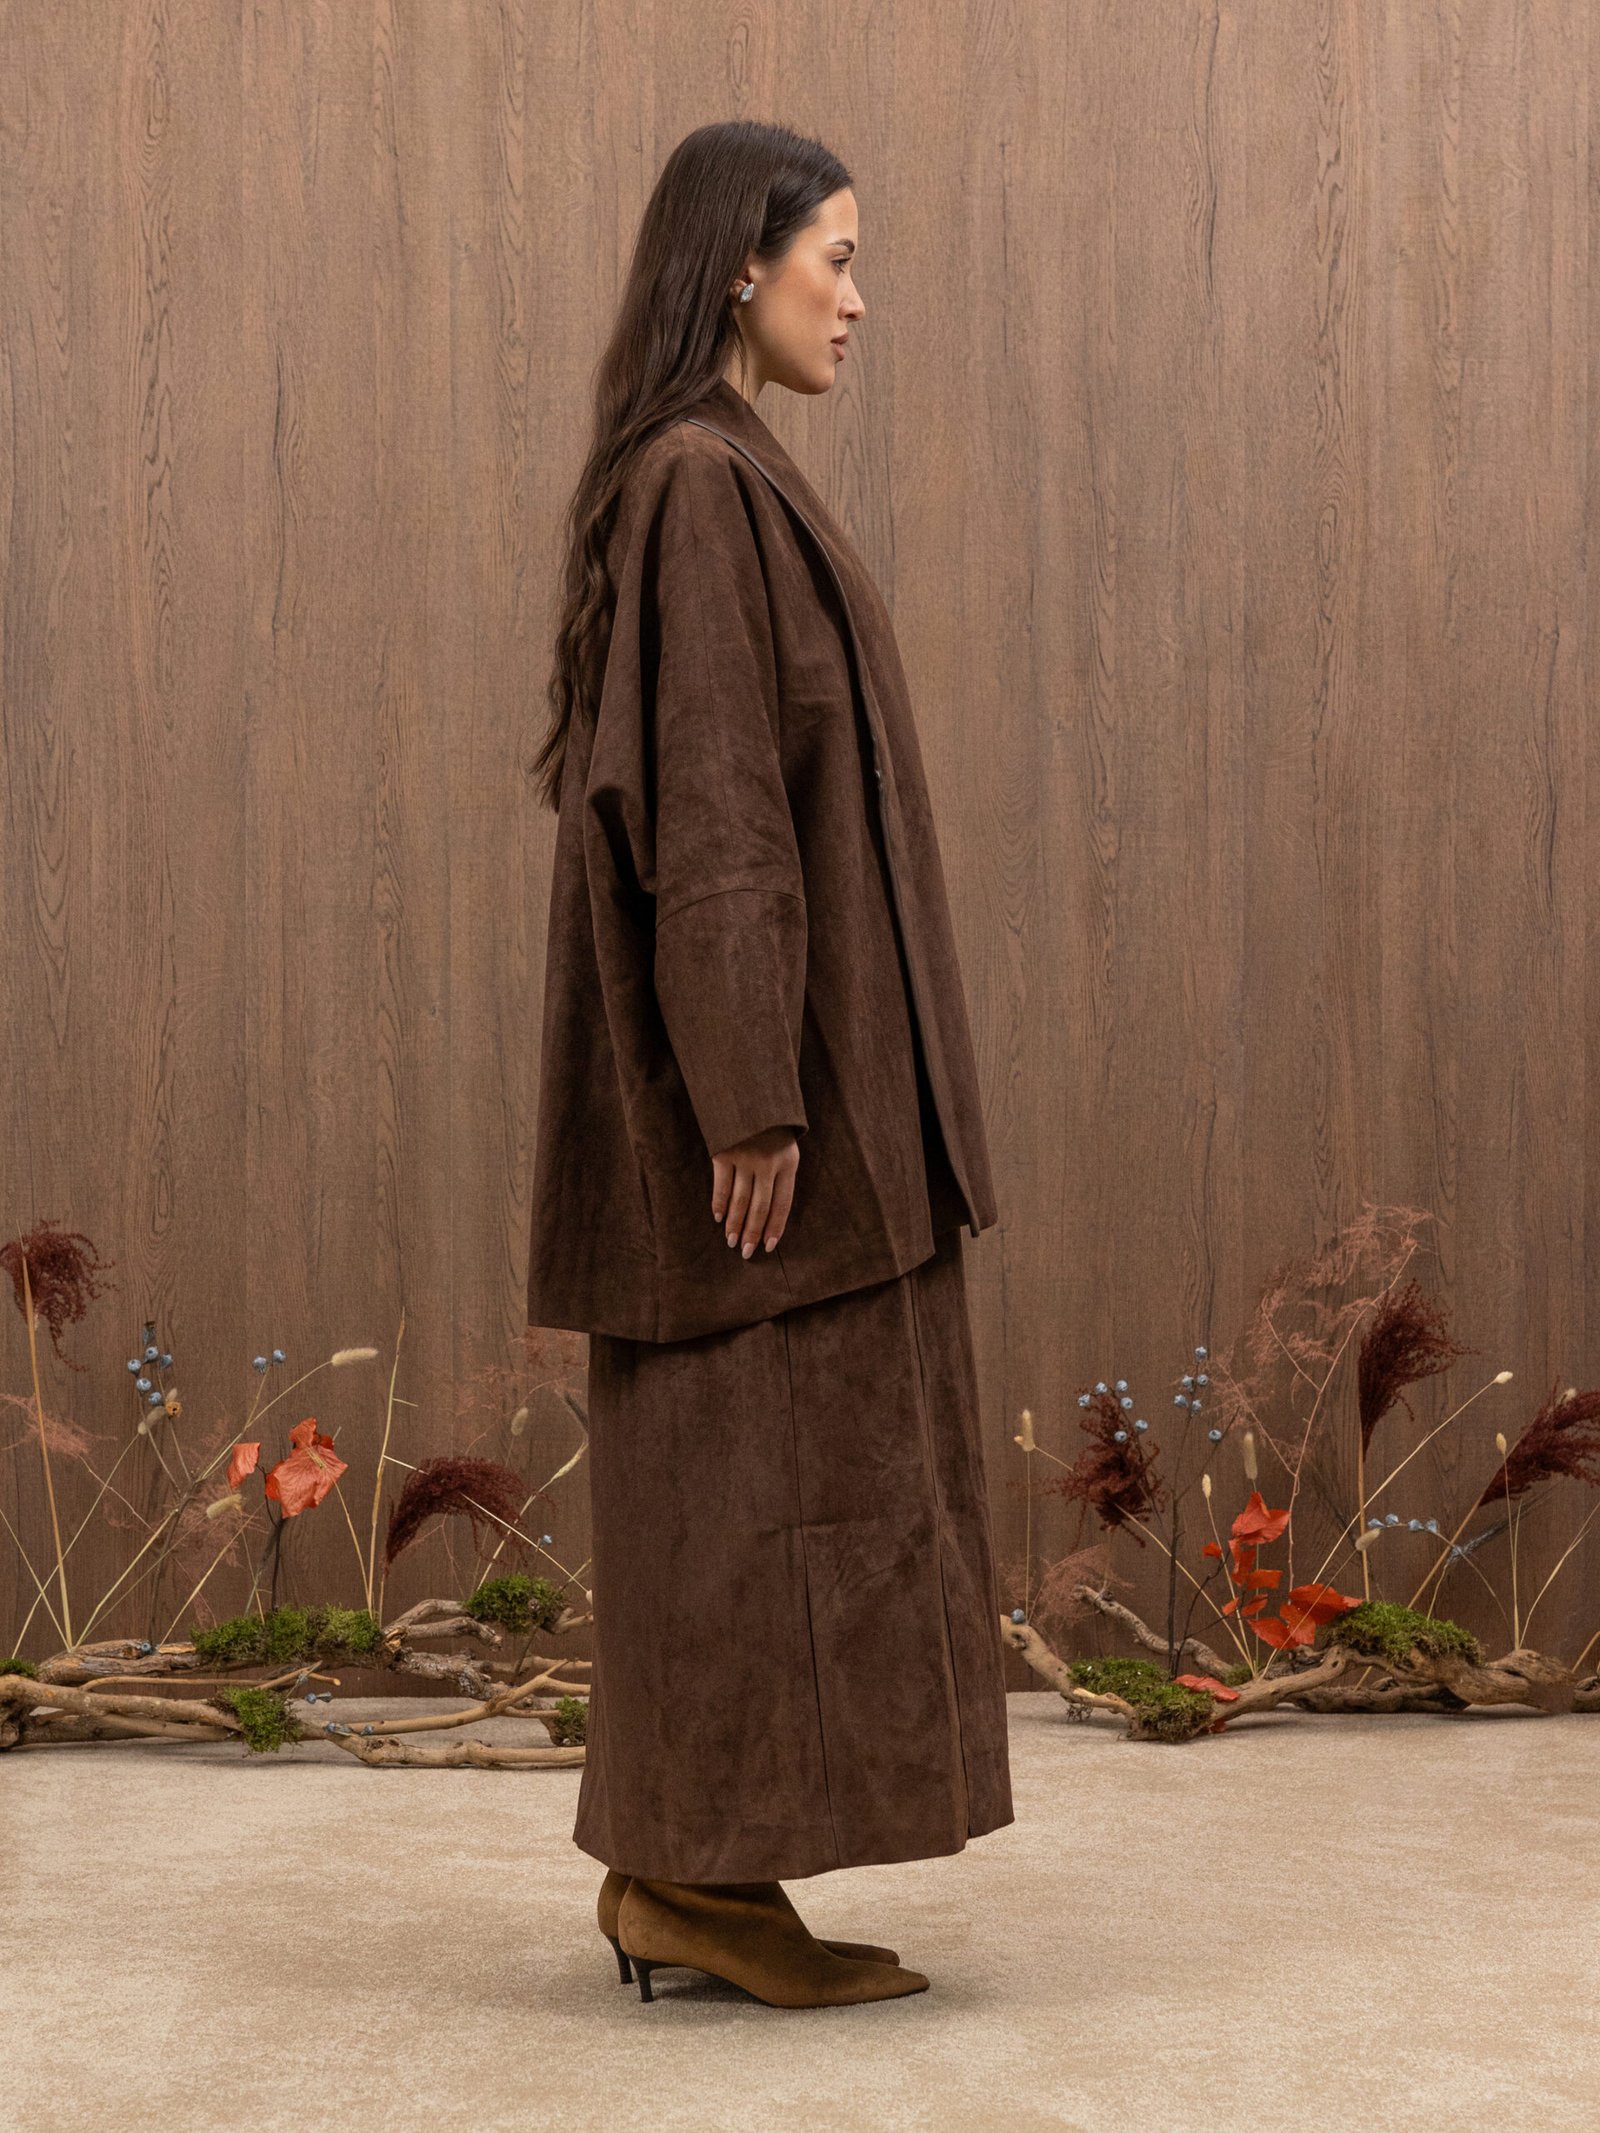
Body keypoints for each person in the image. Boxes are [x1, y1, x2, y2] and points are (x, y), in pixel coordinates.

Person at [526, 119, 1014, 2011]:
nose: (858, 299)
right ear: (742, 262)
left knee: (743, 1479)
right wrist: (750, 1092)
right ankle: (692, 1879)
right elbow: (716, 808)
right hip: (772, 1110)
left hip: (810, 1088)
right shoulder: (701, 484)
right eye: (839, 258)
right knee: (756, 1484)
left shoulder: (709, 471)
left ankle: (691, 1870)